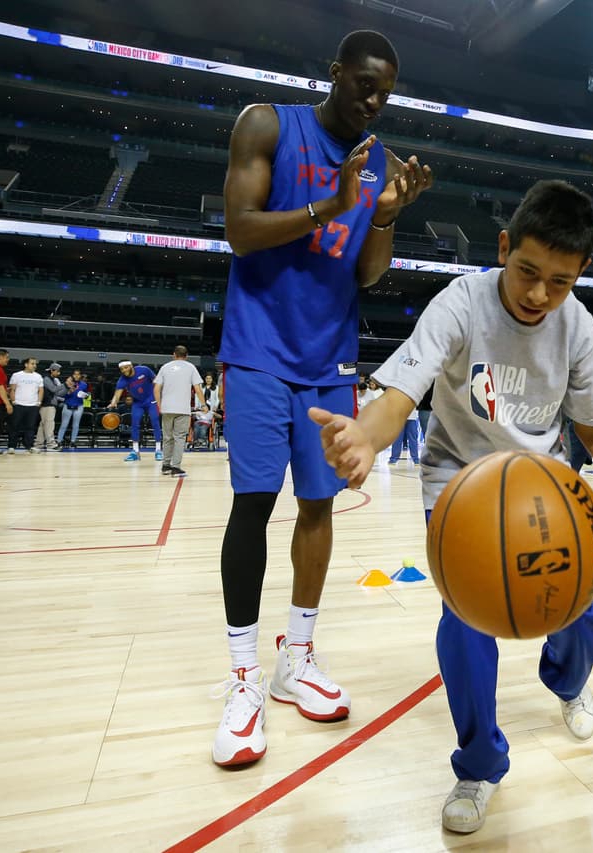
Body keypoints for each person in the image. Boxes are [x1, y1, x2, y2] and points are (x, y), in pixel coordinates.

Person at [308, 180, 593, 834]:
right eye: (527, 272)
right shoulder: (460, 302)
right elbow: (405, 388)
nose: (540, 295)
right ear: (502, 248)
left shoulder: (576, 327)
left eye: (561, 281)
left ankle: (568, 679)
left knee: (582, 601)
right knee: (465, 620)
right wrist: (366, 437)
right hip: (458, 480)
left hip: (542, 479)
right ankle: (479, 763)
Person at [210, 28, 433, 768]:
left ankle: (293, 657)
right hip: (258, 350)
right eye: (363, 84)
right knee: (252, 503)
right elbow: (240, 233)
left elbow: (368, 275)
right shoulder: (268, 124)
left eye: (386, 91)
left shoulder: (381, 167)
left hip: (329, 358)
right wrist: (327, 205)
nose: (374, 100)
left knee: (318, 505)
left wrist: (386, 212)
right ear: (335, 73)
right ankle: (243, 679)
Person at [153, 345, 205, 476]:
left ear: (174, 355)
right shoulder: (191, 367)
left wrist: (160, 405)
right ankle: (175, 467)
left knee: (167, 437)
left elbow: (156, 389)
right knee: (179, 438)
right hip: (182, 409)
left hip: (167, 408)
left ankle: (165, 466)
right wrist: (204, 405)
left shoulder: (165, 367)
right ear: (186, 356)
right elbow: (198, 389)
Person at [107, 360, 160, 462]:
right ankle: (135, 451)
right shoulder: (122, 380)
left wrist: (159, 396)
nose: (124, 370)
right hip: (137, 403)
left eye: (125, 368)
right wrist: (113, 402)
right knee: (134, 423)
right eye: (122, 369)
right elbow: (117, 394)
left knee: (155, 421)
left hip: (151, 399)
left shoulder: (144, 370)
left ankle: (158, 450)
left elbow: (157, 382)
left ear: (131, 366)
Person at [7, 357, 43, 453]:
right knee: (14, 426)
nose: (34, 365)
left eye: (35, 364)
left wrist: (38, 402)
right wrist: (13, 401)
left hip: (32, 406)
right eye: (32, 363)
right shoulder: (17, 375)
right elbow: (12, 389)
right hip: (18, 404)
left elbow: (41, 390)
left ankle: (29, 446)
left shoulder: (38, 376)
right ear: (26, 364)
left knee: (30, 427)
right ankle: (11, 446)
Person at [38, 362, 64, 451]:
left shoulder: (52, 379)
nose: (59, 373)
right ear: (52, 370)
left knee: (43, 425)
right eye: (58, 371)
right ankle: (51, 445)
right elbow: (53, 389)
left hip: (48, 405)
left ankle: (39, 444)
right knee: (49, 425)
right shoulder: (46, 379)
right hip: (47, 405)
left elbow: (57, 393)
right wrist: (65, 385)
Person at [56, 375, 88, 449]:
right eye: (75, 374)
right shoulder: (65, 385)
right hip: (67, 405)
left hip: (79, 406)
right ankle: (59, 441)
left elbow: (87, 395)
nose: (77, 376)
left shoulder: (84, 384)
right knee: (64, 424)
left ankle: (73, 441)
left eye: (78, 374)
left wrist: (85, 395)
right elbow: (61, 396)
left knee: (76, 425)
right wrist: (69, 392)